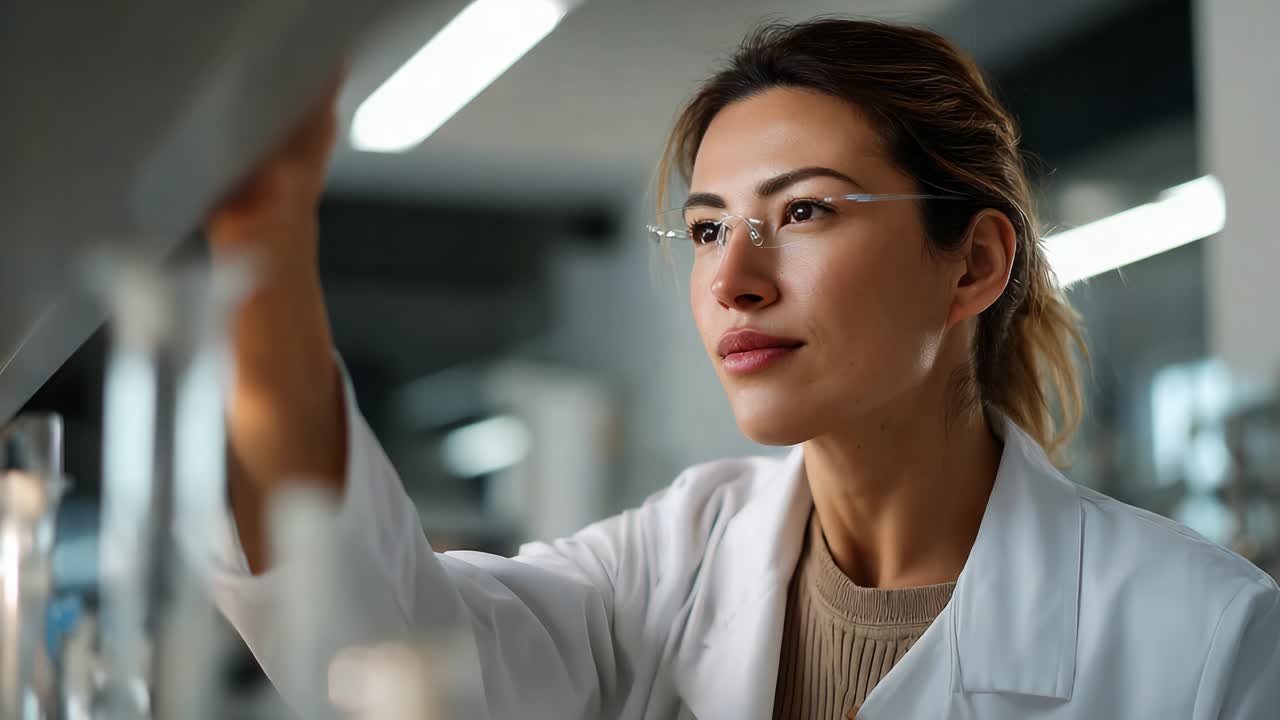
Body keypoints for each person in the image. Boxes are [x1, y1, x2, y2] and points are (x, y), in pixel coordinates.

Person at [204, 17, 1280, 720]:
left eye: (803, 211)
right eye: (709, 230)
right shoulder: (667, 563)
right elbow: (376, 642)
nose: (734, 280)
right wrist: (265, 247)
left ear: (974, 262)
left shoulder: (1199, 636)